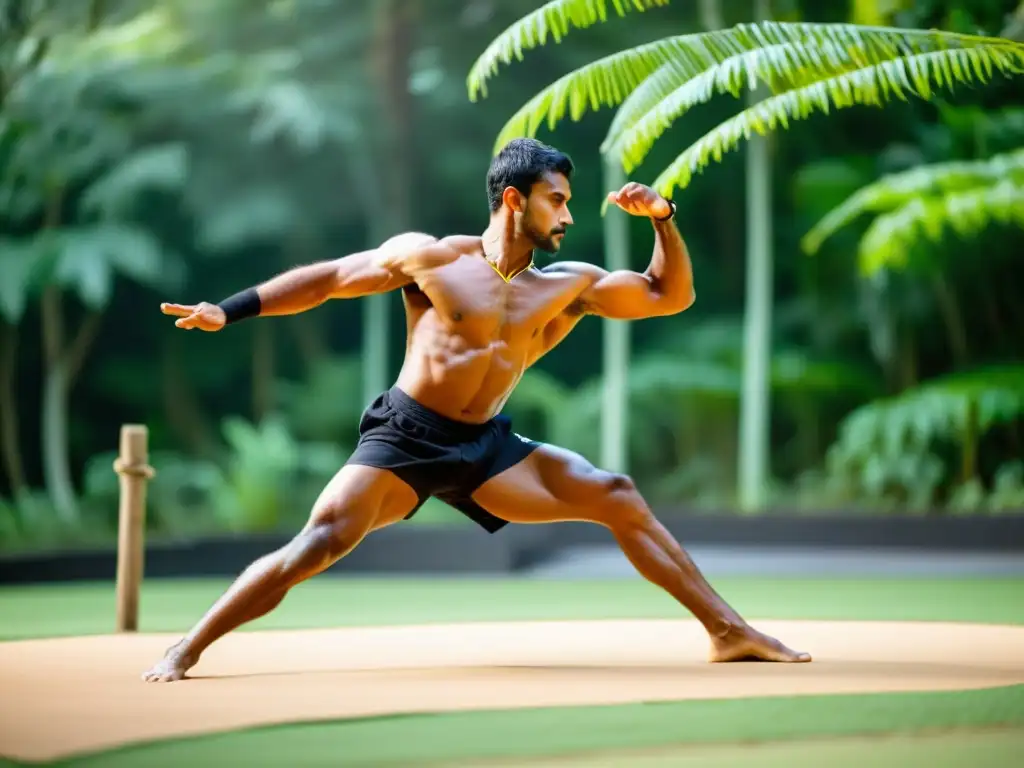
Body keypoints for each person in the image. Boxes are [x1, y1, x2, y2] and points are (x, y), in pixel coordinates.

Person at [144, 138, 809, 682]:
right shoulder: (433, 260)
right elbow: (326, 280)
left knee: (616, 494)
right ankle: (186, 649)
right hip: (406, 435)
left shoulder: (567, 285)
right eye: (557, 201)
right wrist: (227, 311)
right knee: (320, 543)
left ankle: (729, 632)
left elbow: (669, 296)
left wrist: (664, 219)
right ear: (515, 200)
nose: (568, 217)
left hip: (485, 446)